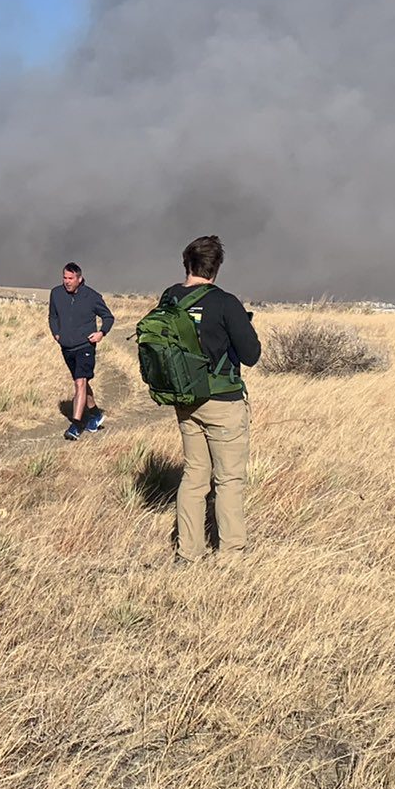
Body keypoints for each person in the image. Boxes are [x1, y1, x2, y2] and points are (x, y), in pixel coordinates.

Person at [162, 234, 261, 562]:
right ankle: (231, 556)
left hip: (185, 400)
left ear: (186, 263)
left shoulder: (170, 297)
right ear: (216, 268)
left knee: (194, 474)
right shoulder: (226, 303)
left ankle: (188, 553)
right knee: (229, 479)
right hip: (222, 402)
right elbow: (251, 354)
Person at [48, 261, 115, 440]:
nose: (67, 281)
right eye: (64, 277)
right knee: (82, 383)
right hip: (66, 347)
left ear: (79, 278)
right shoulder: (56, 293)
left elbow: (108, 317)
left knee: (80, 382)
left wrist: (101, 333)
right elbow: (53, 316)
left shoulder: (91, 296)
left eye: (70, 278)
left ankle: (76, 425)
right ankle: (95, 414)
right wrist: (56, 334)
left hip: (85, 346)